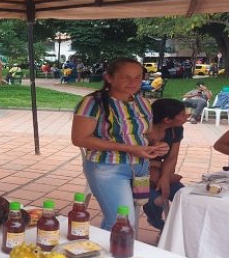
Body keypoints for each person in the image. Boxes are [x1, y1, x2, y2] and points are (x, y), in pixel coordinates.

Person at [71, 58, 170, 230]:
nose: (133, 82)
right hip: (108, 167)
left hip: (140, 168)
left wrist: (156, 144)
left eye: (138, 77)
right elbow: (79, 139)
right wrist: (130, 149)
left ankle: (107, 251)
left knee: (119, 220)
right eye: (126, 77)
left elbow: (145, 133)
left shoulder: (143, 103)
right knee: (123, 221)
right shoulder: (93, 102)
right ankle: (113, 254)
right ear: (109, 78)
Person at [143, 98, 187, 230]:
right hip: (138, 175)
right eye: (182, 114)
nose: (187, 116)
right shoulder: (143, 130)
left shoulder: (176, 130)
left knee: (183, 195)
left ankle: (182, 230)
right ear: (167, 120)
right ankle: (161, 226)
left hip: (161, 172)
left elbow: (172, 157)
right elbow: (135, 160)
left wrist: (165, 178)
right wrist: (157, 168)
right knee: (155, 200)